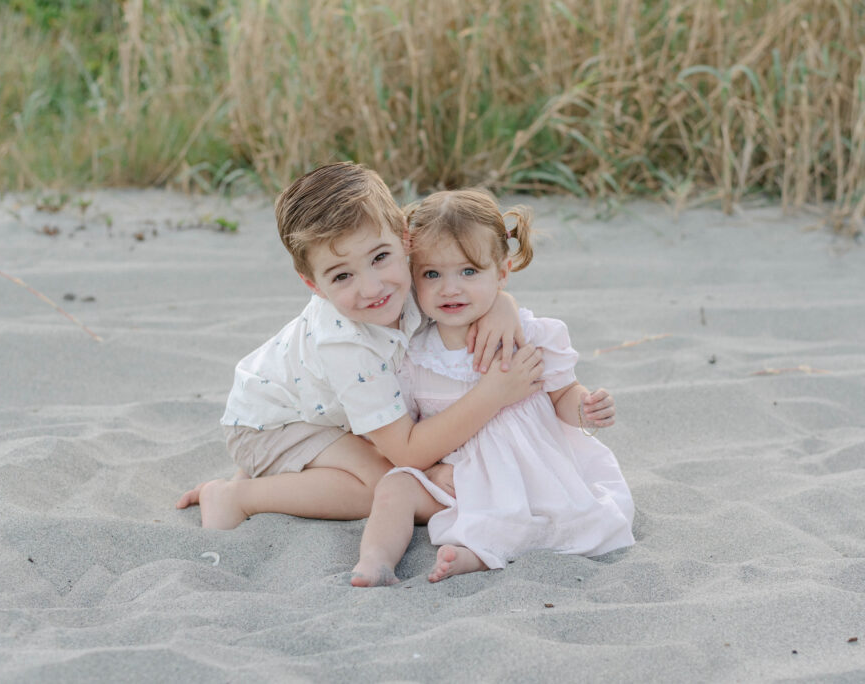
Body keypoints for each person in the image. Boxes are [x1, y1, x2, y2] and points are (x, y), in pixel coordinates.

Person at [175, 163, 571, 528]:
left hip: (325, 412)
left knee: (391, 469)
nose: (372, 288)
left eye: (380, 257)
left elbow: (465, 291)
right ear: (314, 284)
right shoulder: (346, 345)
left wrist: (503, 305)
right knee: (383, 484)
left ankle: (278, 475)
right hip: (272, 424)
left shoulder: (411, 278)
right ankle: (237, 495)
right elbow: (407, 453)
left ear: (404, 239)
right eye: (342, 276)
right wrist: (493, 394)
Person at [350, 189, 635, 587]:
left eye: (469, 272)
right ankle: (376, 560)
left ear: (502, 273)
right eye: (432, 274)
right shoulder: (412, 352)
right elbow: (411, 430)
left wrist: (585, 407)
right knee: (395, 487)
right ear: (412, 278)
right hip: (457, 476)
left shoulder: (531, 335)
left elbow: (561, 395)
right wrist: (430, 470)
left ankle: (476, 556)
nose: (450, 288)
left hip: (526, 470)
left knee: (526, 514)